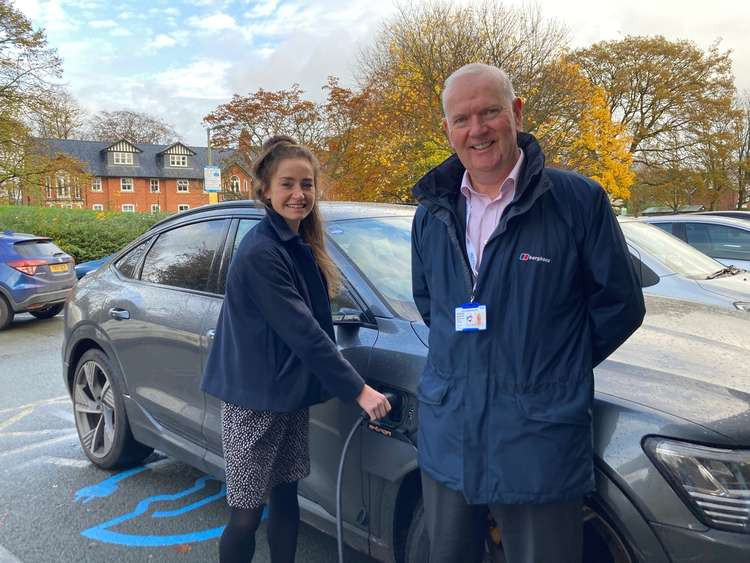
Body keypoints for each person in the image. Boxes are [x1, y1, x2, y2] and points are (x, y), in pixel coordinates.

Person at [411, 63, 646, 563]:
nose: (477, 130)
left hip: (536, 437)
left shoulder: (577, 201)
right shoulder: (431, 211)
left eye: (490, 112)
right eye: (462, 118)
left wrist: (553, 364)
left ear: (516, 112)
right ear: (447, 130)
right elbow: (430, 301)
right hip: (450, 431)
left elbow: (621, 304)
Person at [201, 135, 391, 563]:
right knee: (246, 514)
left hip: (288, 392)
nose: (299, 194)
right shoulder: (261, 251)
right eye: (287, 184)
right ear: (265, 190)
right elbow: (302, 329)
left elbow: (314, 316)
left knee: (287, 498)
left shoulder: (298, 242)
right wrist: (357, 389)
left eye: (307, 184)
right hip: (253, 400)